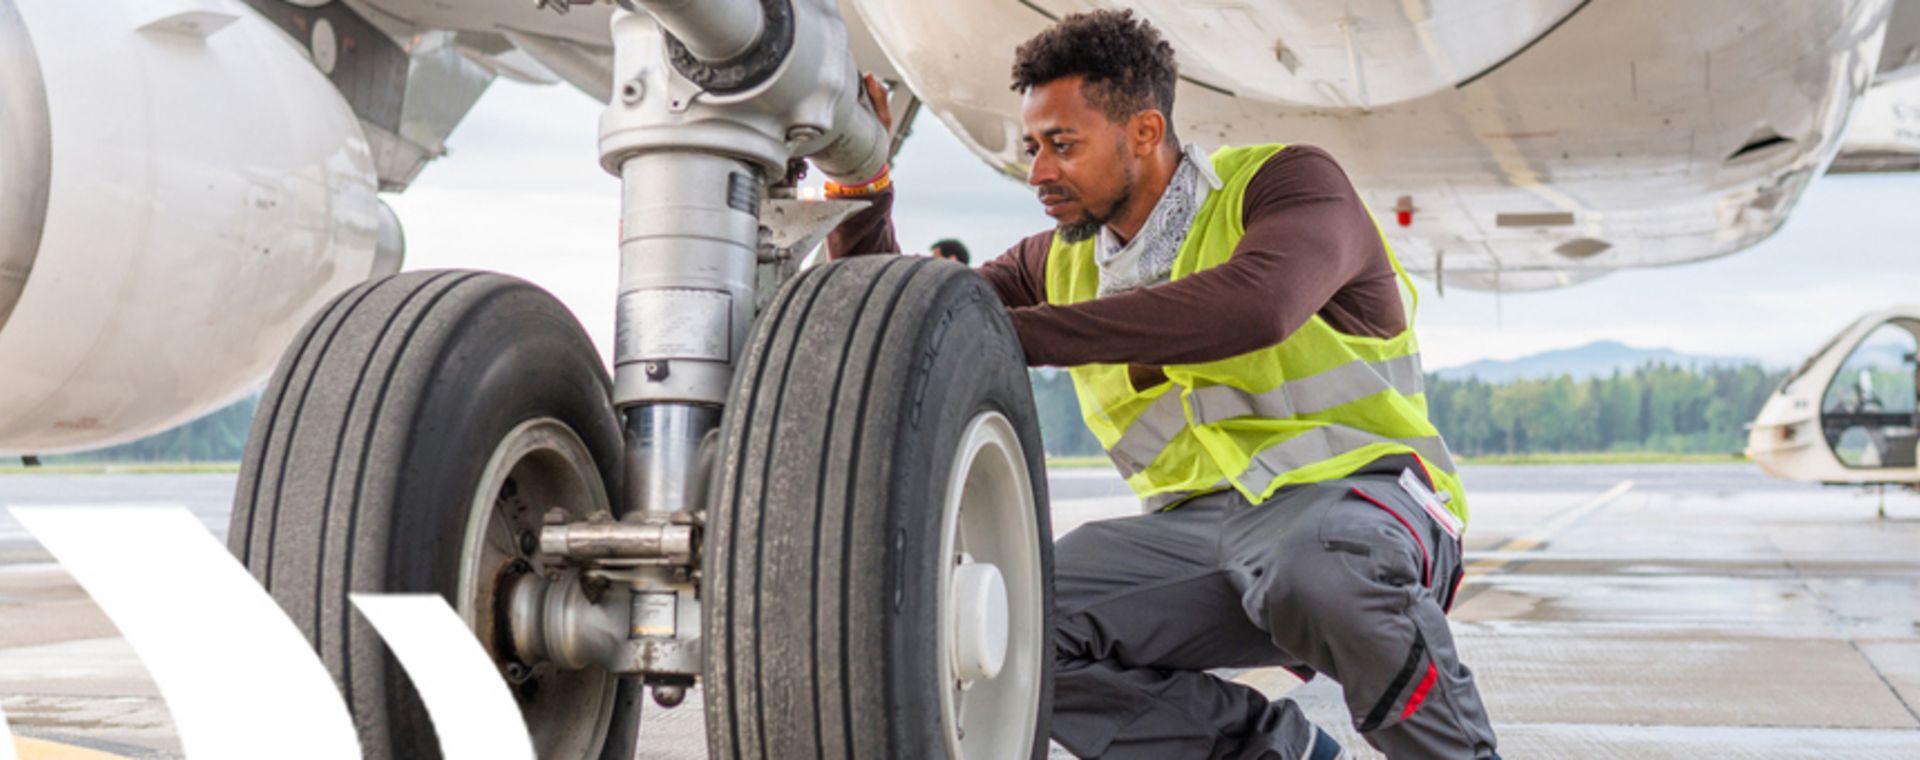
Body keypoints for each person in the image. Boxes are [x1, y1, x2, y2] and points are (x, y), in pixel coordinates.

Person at [827, 9, 1498, 759]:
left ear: (1144, 133)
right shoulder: (1051, 263)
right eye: (1032, 147)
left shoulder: (1287, 186)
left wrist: (1018, 335)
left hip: (1364, 504)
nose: (1039, 172)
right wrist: (862, 181)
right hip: (1199, 542)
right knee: (1000, 620)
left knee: (1313, 563)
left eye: (1063, 145)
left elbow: (1258, 306)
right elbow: (915, 328)